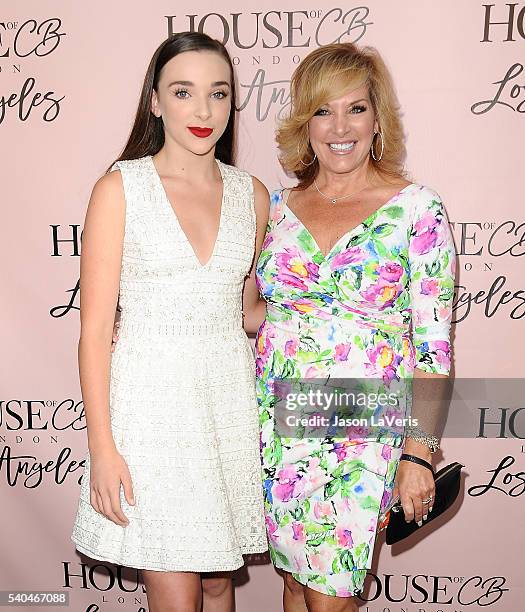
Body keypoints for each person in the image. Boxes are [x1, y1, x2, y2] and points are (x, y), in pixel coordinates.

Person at [246, 43, 456, 612]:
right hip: (278, 424)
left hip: (364, 429)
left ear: (377, 119)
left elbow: (433, 351)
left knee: (329, 595)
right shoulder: (276, 209)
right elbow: (251, 314)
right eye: (322, 110)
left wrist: (419, 453)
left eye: (356, 109)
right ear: (303, 122)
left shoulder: (417, 210)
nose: (340, 127)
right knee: (294, 584)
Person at [70, 32, 269, 612]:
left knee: (215, 581)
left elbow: (247, 309)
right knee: (175, 585)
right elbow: (93, 336)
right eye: (183, 92)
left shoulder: (252, 196)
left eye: (218, 94)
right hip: (149, 410)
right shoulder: (119, 190)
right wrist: (102, 448)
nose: (203, 111)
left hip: (225, 401)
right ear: (155, 101)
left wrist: (324, 311)